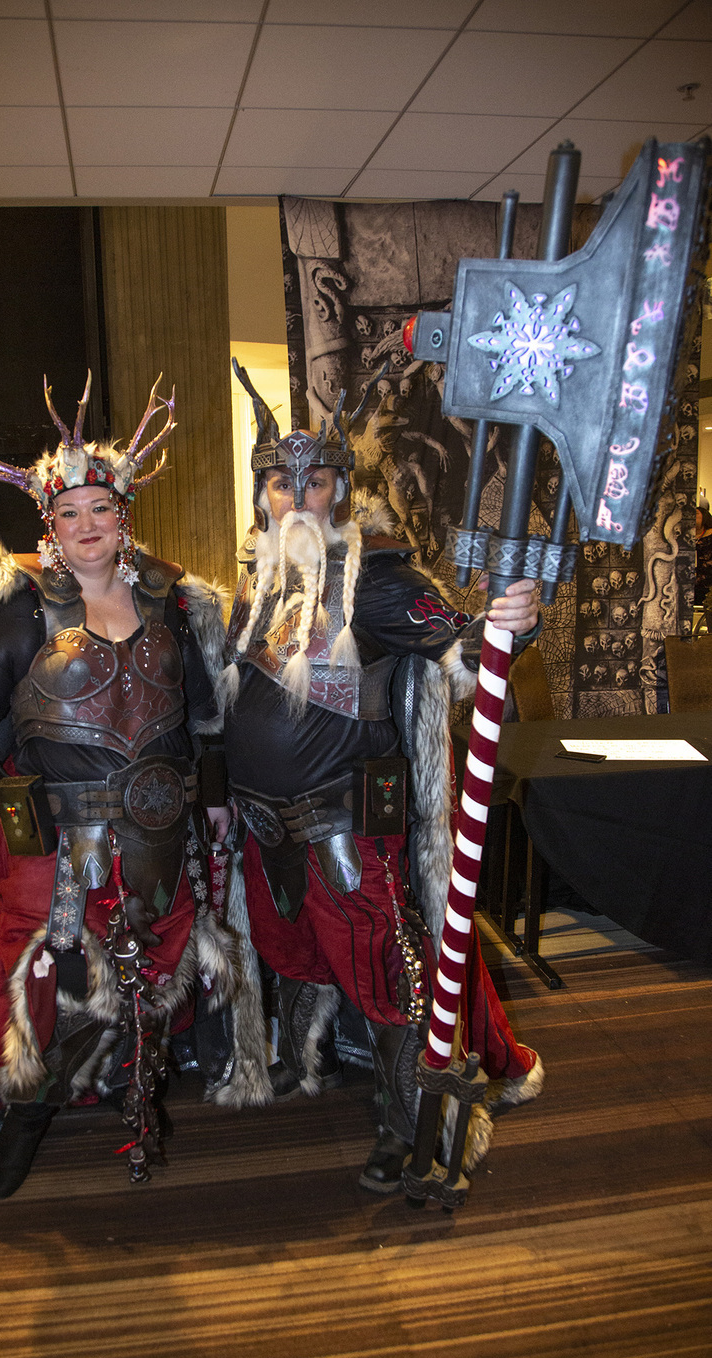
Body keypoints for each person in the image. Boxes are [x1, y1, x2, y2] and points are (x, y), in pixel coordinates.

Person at [0, 374, 267, 1200]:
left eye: (101, 508)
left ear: (122, 515)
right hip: (54, 842)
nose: (87, 525)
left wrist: (213, 802)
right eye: (70, 513)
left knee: (151, 973)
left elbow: (203, 718)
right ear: (50, 525)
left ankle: (107, 1080)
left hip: (158, 833)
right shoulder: (22, 608)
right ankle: (22, 1109)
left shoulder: (174, 601)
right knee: (33, 983)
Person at [220, 363, 544, 1193]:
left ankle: (408, 1124)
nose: (298, 498)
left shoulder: (379, 580)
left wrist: (508, 624)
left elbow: (466, 650)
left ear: (339, 489)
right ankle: (311, 1059)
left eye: (315, 482)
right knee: (292, 954)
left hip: (345, 828)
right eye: (282, 484)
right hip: (264, 826)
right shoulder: (252, 583)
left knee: (385, 977)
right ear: (262, 495)